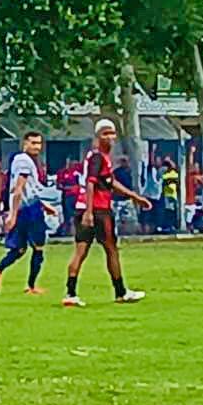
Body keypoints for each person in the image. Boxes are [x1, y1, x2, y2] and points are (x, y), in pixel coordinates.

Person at [66, 118, 151, 307]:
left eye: (112, 133)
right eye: (106, 133)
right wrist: (89, 211)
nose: (110, 137)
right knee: (111, 249)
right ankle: (120, 291)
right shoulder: (98, 157)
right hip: (98, 210)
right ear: (97, 136)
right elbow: (91, 183)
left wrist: (134, 196)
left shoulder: (97, 157)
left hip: (85, 208)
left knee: (81, 251)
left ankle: (70, 293)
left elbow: (110, 183)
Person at [0, 131, 58, 296]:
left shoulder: (22, 161)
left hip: (27, 207)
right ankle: (31, 286)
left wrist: (44, 205)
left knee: (19, 249)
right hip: (28, 210)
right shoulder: (24, 161)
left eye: (39, 143)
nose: (37, 147)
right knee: (39, 248)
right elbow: (19, 189)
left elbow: (29, 189)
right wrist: (12, 214)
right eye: (33, 143)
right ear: (24, 143)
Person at [55, 157, 83, 238]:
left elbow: (81, 183)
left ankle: (75, 231)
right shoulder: (62, 172)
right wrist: (67, 188)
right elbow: (59, 185)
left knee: (75, 214)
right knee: (67, 213)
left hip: (76, 196)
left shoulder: (77, 173)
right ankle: (67, 231)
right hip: (66, 195)